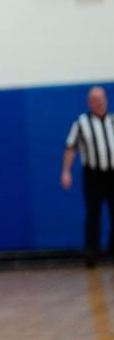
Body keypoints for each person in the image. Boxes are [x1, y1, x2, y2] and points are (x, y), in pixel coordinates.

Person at [62, 86, 114, 267]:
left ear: (106, 100)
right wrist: (66, 171)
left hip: (112, 174)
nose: (99, 103)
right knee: (94, 214)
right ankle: (91, 252)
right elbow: (70, 148)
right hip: (93, 175)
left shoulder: (113, 120)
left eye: (102, 99)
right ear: (89, 103)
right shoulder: (81, 123)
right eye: (95, 100)